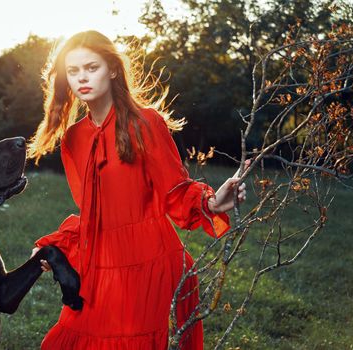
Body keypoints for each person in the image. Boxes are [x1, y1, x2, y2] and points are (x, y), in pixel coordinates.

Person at [27, 30, 248, 350]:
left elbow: (175, 192)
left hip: (152, 268)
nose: (81, 78)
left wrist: (212, 203)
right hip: (100, 271)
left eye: (92, 68)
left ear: (113, 69)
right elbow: (92, 215)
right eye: (73, 72)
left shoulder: (146, 123)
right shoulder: (73, 139)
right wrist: (56, 247)